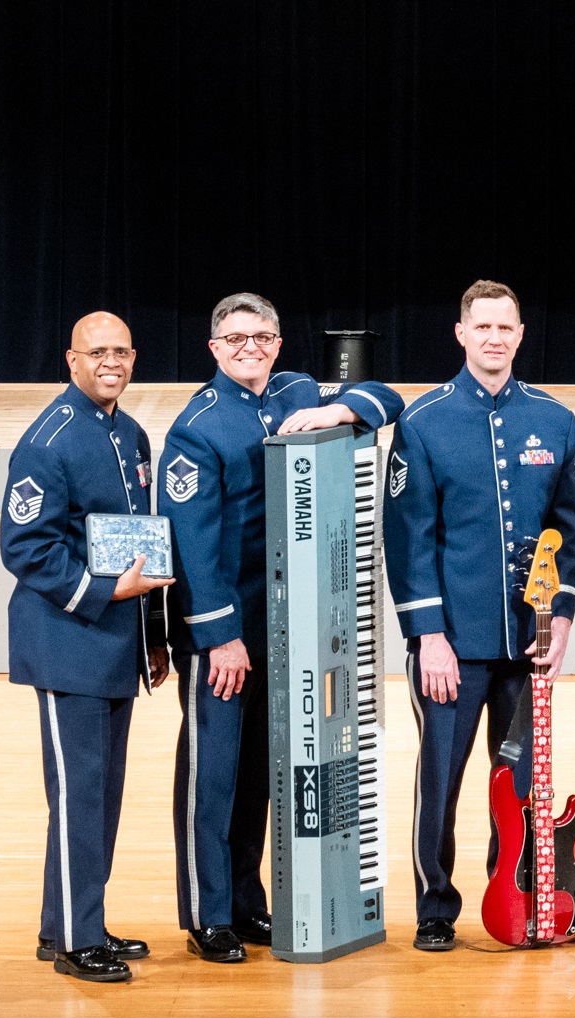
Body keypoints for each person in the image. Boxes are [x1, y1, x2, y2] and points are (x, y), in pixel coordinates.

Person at [158, 292, 403, 964]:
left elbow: (387, 400)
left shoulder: (296, 391)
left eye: (262, 336)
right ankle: (206, 916)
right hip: (225, 637)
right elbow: (192, 547)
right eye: (236, 339)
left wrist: (333, 409)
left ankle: (244, 903)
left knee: (263, 776)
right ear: (214, 348)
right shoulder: (195, 429)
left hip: (285, 631)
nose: (250, 348)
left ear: (277, 343)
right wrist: (218, 639)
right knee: (213, 779)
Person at [383, 280, 575, 953]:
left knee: (521, 785)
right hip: (452, 646)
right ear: (461, 333)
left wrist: (560, 618)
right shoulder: (425, 419)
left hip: (525, 643)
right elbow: (407, 537)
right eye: (483, 327)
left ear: (519, 335)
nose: (495, 338)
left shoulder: (554, 419)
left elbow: (567, 526)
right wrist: (428, 637)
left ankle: (517, 896)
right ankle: (435, 907)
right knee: (440, 779)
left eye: (506, 327)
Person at [1, 311, 173, 983]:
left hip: (115, 644)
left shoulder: (130, 433)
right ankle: (77, 942)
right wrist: (105, 592)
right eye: (97, 351)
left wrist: (151, 635)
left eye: (121, 351)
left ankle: (71, 922)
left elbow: (141, 542)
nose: (111, 362)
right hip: (67, 642)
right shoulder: (48, 441)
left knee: (100, 794)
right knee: (78, 795)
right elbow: (25, 548)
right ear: (70, 360)